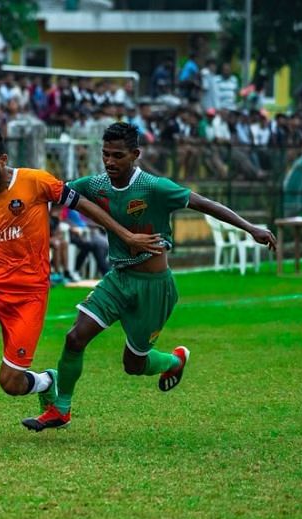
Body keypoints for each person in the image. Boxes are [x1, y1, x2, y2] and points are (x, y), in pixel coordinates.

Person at [0, 127, 162, 444]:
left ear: (2, 160)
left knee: (10, 383)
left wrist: (126, 235)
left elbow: (83, 204)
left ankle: (46, 381)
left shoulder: (35, 181)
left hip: (29, 296)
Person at [22, 122, 276, 431]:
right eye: (105, 155)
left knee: (134, 365)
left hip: (154, 287)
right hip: (118, 279)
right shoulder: (97, 184)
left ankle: (173, 361)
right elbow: (53, 191)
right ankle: (60, 409)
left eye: (118, 155)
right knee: (75, 337)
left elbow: (205, 204)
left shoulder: (155, 187)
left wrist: (252, 228)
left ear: (135, 155)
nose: (110, 162)